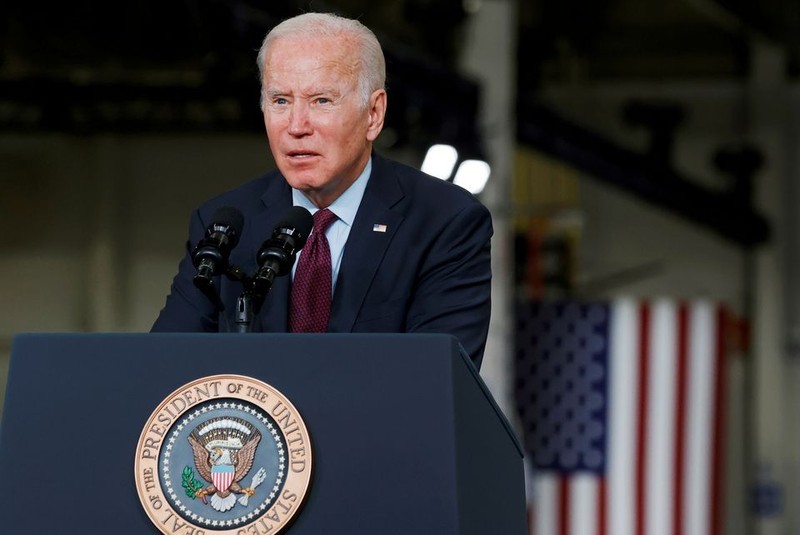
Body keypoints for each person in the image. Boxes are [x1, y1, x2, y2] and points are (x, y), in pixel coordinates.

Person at [151, 12, 493, 368]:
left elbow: (436, 383)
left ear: (373, 114)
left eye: (321, 101)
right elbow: (163, 368)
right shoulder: (225, 224)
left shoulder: (444, 222)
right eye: (281, 101)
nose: (296, 126)